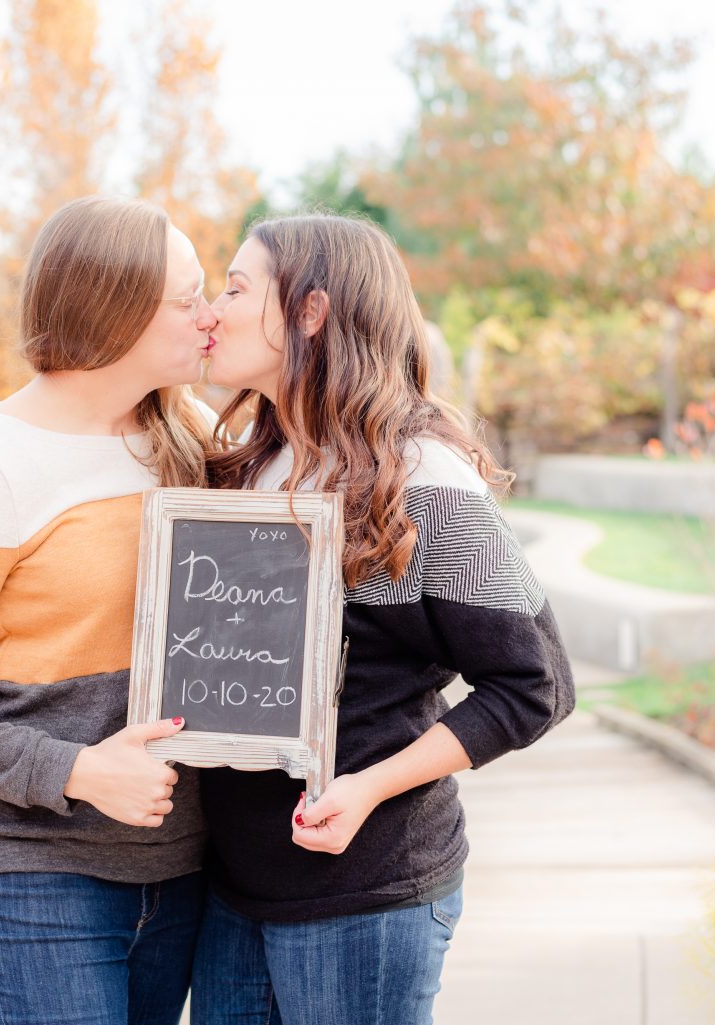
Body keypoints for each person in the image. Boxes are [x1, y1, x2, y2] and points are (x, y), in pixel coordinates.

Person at [191, 213, 575, 1025]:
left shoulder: (422, 475)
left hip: (365, 894)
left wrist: (368, 787)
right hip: (233, 890)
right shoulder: (243, 468)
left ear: (311, 312)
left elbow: (535, 683)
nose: (211, 311)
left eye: (233, 288)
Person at [0, 195, 218, 1025]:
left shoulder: (191, 436)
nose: (211, 318)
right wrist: (80, 769)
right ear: (118, 313)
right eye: (189, 298)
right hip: (34, 885)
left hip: (181, 874)